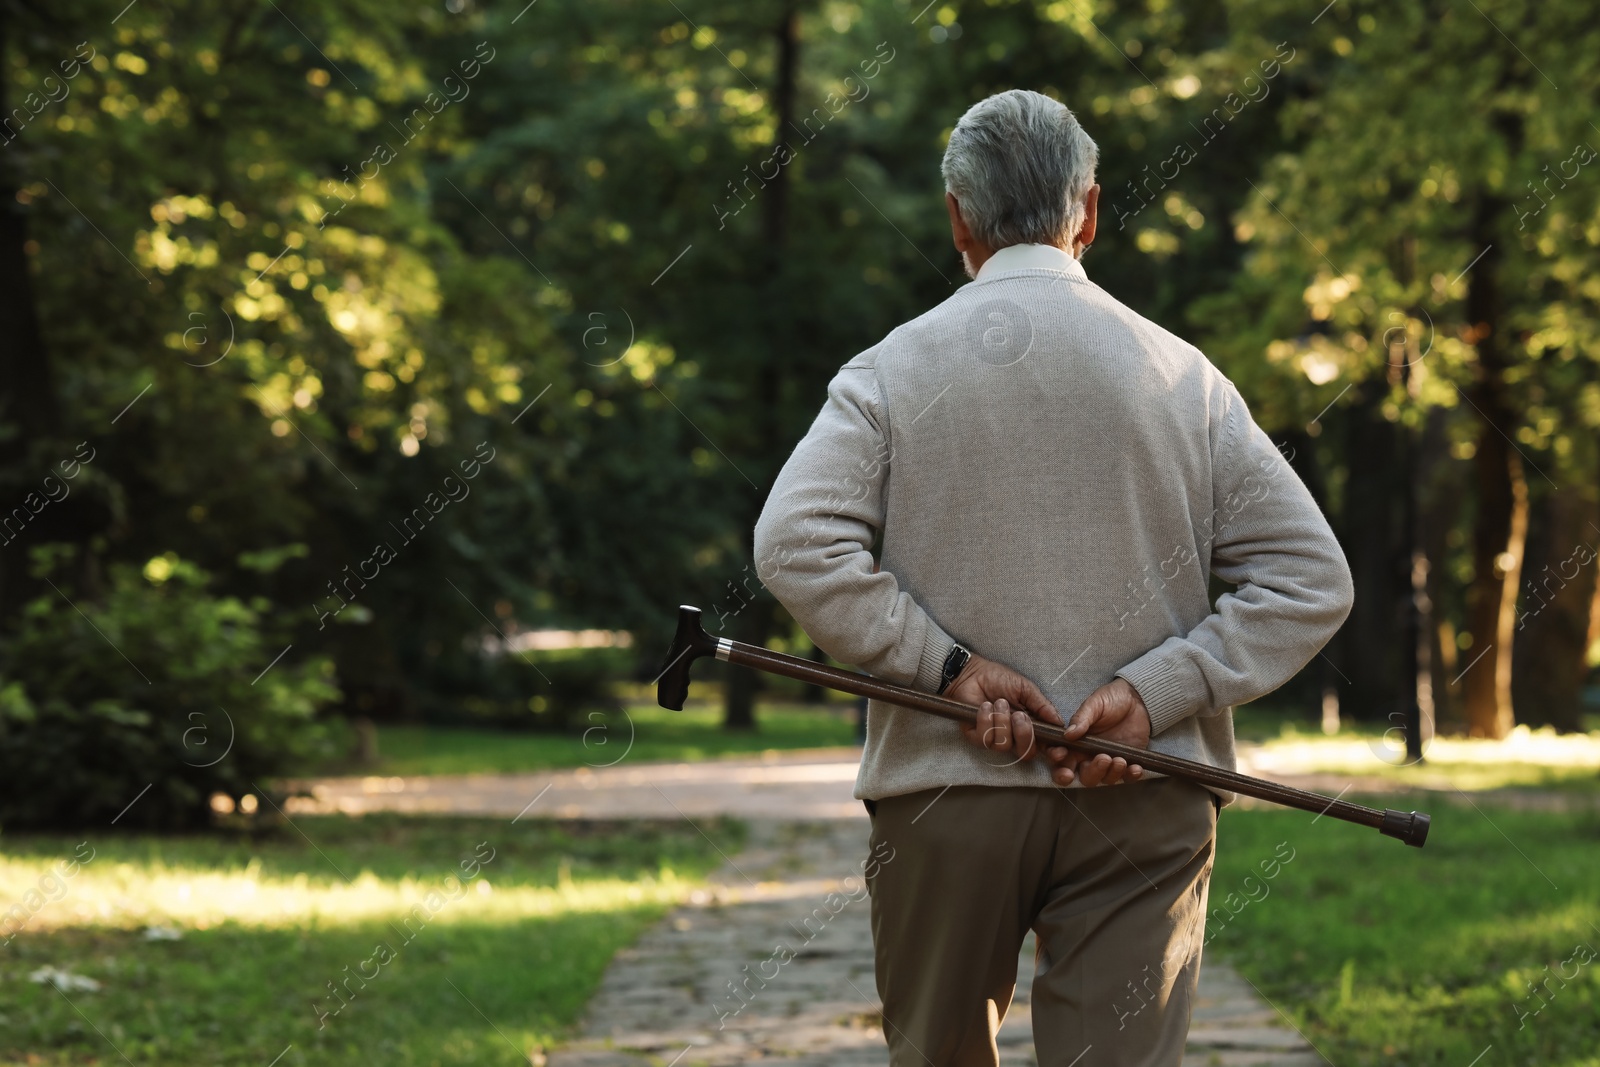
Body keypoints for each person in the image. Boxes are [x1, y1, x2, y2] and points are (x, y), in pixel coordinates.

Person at [752, 89, 1353, 1066]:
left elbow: (793, 544)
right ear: (1090, 211)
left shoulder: (890, 371)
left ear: (957, 215)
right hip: (1148, 787)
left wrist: (948, 670)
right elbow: (1307, 576)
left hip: (947, 791)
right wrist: (1153, 694)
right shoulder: (1183, 376)